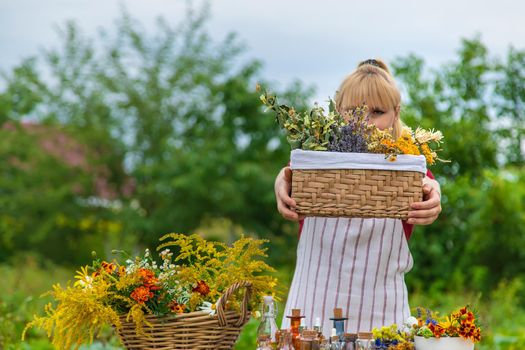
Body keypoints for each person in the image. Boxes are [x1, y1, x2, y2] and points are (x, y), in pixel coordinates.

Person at [278, 59, 442, 336]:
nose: (364, 122)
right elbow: (291, 176)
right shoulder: (315, 165)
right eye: (353, 111)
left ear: (395, 113)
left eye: (377, 112)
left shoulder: (411, 172)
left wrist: (435, 194)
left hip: (382, 320)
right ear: (337, 111)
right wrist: (282, 179)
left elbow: (427, 186)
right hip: (308, 316)